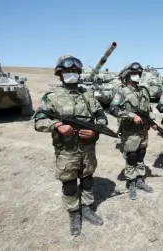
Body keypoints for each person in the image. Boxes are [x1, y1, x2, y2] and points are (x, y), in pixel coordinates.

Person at [33, 55, 107, 236]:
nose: (72, 74)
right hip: (66, 150)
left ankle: (87, 207)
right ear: (60, 73)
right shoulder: (51, 97)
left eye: (75, 71)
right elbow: (39, 121)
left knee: (88, 179)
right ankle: (74, 213)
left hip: (88, 148)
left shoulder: (88, 95)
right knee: (70, 184)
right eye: (68, 71)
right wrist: (57, 125)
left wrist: (96, 130)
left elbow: (101, 116)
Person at [109, 62, 154, 200]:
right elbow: (113, 109)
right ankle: (131, 182)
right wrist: (130, 116)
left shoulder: (143, 90)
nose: (137, 76)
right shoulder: (121, 91)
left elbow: (148, 108)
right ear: (127, 76)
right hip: (130, 131)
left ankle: (140, 179)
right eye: (134, 74)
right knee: (132, 156)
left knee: (141, 154)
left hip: (143, 130)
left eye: (138, 74)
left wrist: (150, 120)